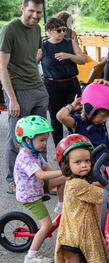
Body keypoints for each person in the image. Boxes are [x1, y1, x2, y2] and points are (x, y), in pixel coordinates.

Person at [0, 0, 50, 195]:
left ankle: (42, 179)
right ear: (23, 8)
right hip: (18, 91)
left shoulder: (37, 29)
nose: (35, 16)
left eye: (39, 12)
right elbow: (2, 67)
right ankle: (13, 180)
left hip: (38, 88)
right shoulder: (9, 30)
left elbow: (36, 54)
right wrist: (11, 98)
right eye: (31, 11)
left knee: (41, 137)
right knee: (16, 138)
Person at [54, 134, 109, 263]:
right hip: (84, 237)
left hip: (68, 237)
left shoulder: (72, 182)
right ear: (67, 164)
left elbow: (88, 188)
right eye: (78, 162)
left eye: (87, 161)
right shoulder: (79, 185)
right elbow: (103, 195)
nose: (84, 165)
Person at [14, 116, 66, 263]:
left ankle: (61, 204)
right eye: (41, 140)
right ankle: (31, 255)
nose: (44, 143)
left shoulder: (36, 153)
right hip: (30, 195)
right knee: (47, 226)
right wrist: (64, 171)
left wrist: (64, 174)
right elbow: (41, 175)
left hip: (38, 185)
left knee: (64, 179)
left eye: (45, 139)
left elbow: (48, 171)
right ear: (27, 140)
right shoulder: (25, 156)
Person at [56, 80, 109, 167]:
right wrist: (72, 106)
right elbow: (60, 116)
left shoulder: (100, 123)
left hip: (106, 170)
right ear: (90, 110)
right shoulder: (77, 123)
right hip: (87, 173)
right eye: (103, 116)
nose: (105, 120)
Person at [37, 17, 85, 147]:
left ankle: (77, 145)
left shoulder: (69, 42)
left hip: (71, 84)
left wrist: (68, 55)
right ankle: (60, 148)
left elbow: (82, 60)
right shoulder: (43, 45)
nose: (63, 33)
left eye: (64, 29)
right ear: (49, 31)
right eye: (59, 30)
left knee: (75, 114)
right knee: (55, 118)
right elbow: (31, 63)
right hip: (52, 85)